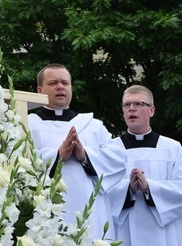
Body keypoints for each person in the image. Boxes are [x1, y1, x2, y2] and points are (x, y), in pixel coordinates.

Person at [28, 64, 126, 242]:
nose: (60, 87)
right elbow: (20, 163)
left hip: (90, 215)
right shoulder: (29, 124)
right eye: (53, 83)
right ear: (39, 89)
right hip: (47, 216)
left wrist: (85, 156)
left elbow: (118, 159)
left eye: (65, 82)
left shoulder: (92, 125)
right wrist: (58, 155)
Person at [108, 85, 182, 246]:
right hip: (123, 231)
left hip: (165, 232)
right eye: (126, 105)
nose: (131, 109)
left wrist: (150, 188)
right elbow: (100, 191)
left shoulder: (171, 148)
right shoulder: (110, 149)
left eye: (139, 104)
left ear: (152, 110)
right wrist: (129, 189)